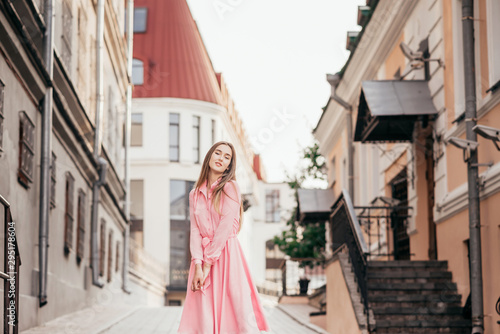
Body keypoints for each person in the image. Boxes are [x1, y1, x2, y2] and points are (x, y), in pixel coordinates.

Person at [178, 141, 270, 334]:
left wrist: (207, 264)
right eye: (218, 153)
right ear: (209, 156)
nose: (221, 158)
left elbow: (224, 228)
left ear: (229, 165)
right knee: (202, 313)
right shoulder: (194, 194)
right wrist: (197, 264)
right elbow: (195, 231)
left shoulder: (231, 187)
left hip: (226, 255)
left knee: (233, 308)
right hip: (202, 259)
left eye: (226, 157)